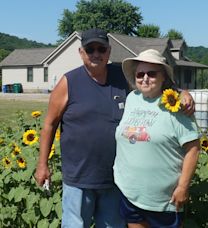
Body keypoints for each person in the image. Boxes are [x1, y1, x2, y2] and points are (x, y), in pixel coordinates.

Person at [34, 28, 195, 228]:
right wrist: (42, 165)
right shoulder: (69, 82)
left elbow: (153, 84)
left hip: (114, 181)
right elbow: (49, 124)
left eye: (101, 49)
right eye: (90, 49)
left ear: (109, 52)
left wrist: (182, 92)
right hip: (78, 177)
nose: (96, 54)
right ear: (81, 52)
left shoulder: (122, 77)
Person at [114, 49, 200, 228]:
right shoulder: (132, 99)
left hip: (164, 198)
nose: (145, 78)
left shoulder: (176, 105)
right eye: (140, 74)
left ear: (163, 77)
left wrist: (183, 187)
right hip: (129, 191)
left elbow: (193, 149)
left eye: (151, 74)